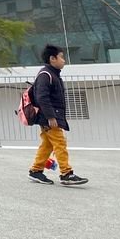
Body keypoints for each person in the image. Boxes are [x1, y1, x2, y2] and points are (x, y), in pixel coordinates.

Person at [28, 45, 88, 186]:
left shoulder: (52, 74)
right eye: (61, 57)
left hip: (51, 116)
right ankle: (66, 173)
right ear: (52, 59)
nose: (64, 60)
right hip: (49, 117)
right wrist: (50, 117)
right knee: (60, 143)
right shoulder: (46, 75)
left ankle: (36, 170)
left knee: (48, 144)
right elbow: (42, 97)